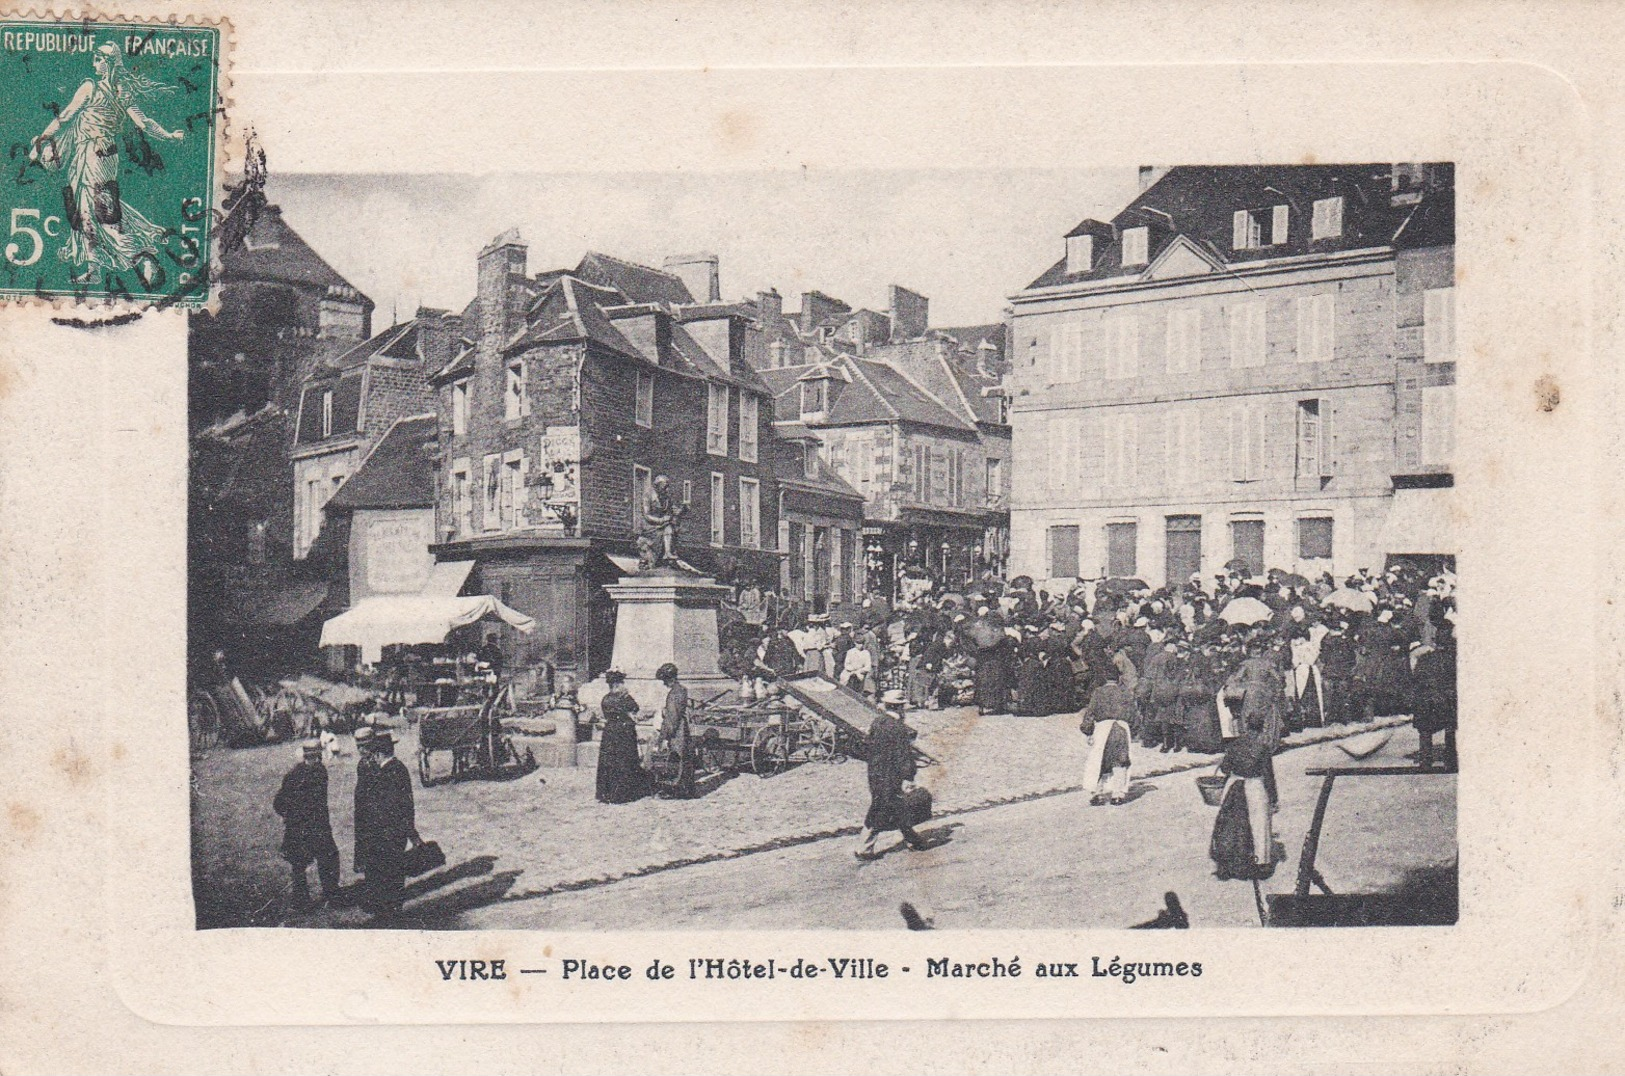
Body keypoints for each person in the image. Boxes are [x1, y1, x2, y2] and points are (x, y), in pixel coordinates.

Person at [28, 43, 186, 278]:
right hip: (105, 155)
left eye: (97, 59)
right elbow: (145, 123)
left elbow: (64, 118)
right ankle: (95, 268)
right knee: (89, 209)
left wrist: (41, 142)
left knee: (100, 210)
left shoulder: (90, 87)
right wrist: (169, 135)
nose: (93, 64)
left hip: (92, 154)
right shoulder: (122, 90)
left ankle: (140, 255)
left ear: (108, 62)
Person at [354, 731, 420, 919]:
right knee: (393, 872)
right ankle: (390, 906)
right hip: (394, 833)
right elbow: (407, 804)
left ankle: (388, 909)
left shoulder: (386, 773)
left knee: (387, 871)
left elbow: (387, 806)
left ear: (378, 753)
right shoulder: (399, 768)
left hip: (384, 833)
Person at [272, 739, 341, 910]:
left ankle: (318, 896)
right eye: (314, 757)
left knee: (311, 861)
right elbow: (280, 802)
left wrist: (288, 815)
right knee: (313, 861)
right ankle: (316, 897)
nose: (316, 761)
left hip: (307, 827)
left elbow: (279, 803)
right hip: (307, 827)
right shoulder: (309, 773)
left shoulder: (307, 772)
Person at [856, 690, 926, 858]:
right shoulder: (899, 729)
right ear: (900, 708)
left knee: (897, 806)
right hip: (891, 775)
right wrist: (909, 776)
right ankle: (863, 848)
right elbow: (904, 756)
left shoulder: (877, 723)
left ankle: (913, 839)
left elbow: (867, 747)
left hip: (875, 773)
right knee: (881, 808)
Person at [1079, 663, 1135, 805]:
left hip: (1103, 728)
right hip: (1122, 728)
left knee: (1099, 761)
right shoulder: (1126, 692)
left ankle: (1097, 793)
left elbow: (1090, 713)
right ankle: (1117, 794)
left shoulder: (1098, 693)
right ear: (1118, 677)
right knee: (1120, 761)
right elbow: (1134, 714)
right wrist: (1133, 730)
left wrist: (1088, 730)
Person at [595, 670, 652, 803]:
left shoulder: (605, 699)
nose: (623, 685)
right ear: (617, 684)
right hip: (624, 733)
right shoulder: (624, 698)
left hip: (609, 733)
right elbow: (635, 709)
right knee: (625, 762)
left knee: (609, 762)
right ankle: (623, 795)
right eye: (621, 682)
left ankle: (606, 793)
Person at [1412, 620, 1458, 771]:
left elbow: (1417, 678)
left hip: (1427, 700)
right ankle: (1451, 761)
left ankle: (1425, 762)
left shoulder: (1425, 658)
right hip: (1447, 699)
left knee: (1425, 731)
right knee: (1451, 729)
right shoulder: (1454, 660)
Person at [654, 662, 694, 797]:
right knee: (684, 756)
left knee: (675, 757)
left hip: (676, 730)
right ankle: (685, 788)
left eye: (665, 681)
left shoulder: (673, 694)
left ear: (669, 679)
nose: (664, 684)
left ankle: (675, 789)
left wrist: (664, 737)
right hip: (682, 726)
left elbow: (672, 717)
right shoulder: (682, 689)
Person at [642, 474, 686, 566]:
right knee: (668, 527)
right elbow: (647, 516)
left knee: (671, 527)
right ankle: (667, 553)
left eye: (667, 487)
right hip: (650, 526)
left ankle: (668, 553)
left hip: (662, 526)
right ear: (658, 485)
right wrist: (661, 520)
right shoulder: (648, 496)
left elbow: (672, 509)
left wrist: (680, 510)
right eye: (665, 487)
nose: (667, 490)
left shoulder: (666, 498)